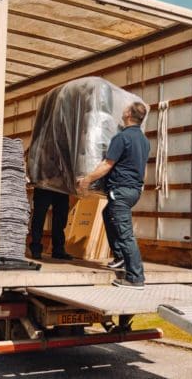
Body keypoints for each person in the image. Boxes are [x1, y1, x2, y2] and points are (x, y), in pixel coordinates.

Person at [77, 102, 149, 290]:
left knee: (125, 235)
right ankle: (119, 258)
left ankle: (135, 277)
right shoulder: (144, 140)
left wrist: (87, 179)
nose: (122, 111)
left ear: (128, 114)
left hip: (121, 191)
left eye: (124, 109)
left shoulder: (122, 138)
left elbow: (107, 165)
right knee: (107, 213)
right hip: (133, 191)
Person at [29, 187, 72, 260]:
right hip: (44, 183)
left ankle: (58, 250)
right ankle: (36, 249)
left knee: (61, 218)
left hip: (62, 185)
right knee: (39, 217)